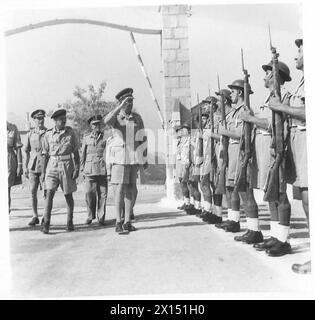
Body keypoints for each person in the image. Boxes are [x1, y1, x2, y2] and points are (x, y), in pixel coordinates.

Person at [239, 60, 292, 256]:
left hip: (274, 148)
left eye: (268, 72)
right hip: (261, 148)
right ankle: (276, 235)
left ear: (275, 76)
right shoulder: (267, 98)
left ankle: (284, 239)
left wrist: (251, 119)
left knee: (280, 194)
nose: (264, 76)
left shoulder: (283, 97)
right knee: (270, 193)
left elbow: (272, 125)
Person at [268, 39, 310, 272]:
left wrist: (280, 108)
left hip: (306, 144)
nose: (296, 55)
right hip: (297, 145)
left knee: (309, 201)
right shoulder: (302, 82)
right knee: (305, 202)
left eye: (300, 50)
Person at [214, 79, 262, 244]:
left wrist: (224, 132)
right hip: (232, 153)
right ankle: (244, 225)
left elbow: (242, 134)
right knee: (238, 189)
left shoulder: (245, 110)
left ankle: (255, 230)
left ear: (240, 92)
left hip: (241, 152)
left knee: (246, 191)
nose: (231, 95)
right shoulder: (235, 112)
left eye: (233, 91)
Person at [104, 88, 147, 234]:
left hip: (133, 158)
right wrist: (118, 107)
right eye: (127, 101)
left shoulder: (137, 118)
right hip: (119, 158)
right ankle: (118, 221)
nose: (130, 104)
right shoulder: (116, 117)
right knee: (119, 190)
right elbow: (106, 121)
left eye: (131, 101)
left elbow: (142, 137)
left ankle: (128, 221)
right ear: (121, 103)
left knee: (131, 189)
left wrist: (144, 157)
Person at [41, 108, 80, 234]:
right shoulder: (48, 134)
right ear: (55, 121)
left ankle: (70, 221)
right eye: (61, 119)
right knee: (49, 194)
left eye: (65, 119)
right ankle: (46, 223)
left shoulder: (71, 133)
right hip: (52, 166)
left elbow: (76, 152)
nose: (64, 121)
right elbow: (44, 155)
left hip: (67, 165)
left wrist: (77, 168)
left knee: (68, 195)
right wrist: (42, 173)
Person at [81, 115, 108, 225]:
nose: (97, 126)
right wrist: (82, 169)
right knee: (89, 193)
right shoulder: (86, 138)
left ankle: (101, 217)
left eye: (98, 124)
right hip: (90, 168)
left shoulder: (105, 137)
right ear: (91, 126)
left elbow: (108, 152)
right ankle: (90, 215)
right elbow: (82, 154)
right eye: (94, 124)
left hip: (102, 168)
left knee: (103, 194)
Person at [24, 109, 47, 226]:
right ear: (34, 120)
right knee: (32, 191)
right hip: (33, 166)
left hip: (45, 166)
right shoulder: (30, 134)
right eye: (38, 118)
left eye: (42, 118)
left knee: (46, 192)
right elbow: (27, 151)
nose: (40, 120)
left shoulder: (48, 132)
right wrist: (25, 167)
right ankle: (34, 216)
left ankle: (45, 216)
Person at [7, 121, 23, 213]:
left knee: (6, 190)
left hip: (9, 160)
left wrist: (20, 165)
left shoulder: (13, 128)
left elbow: (18, 148)